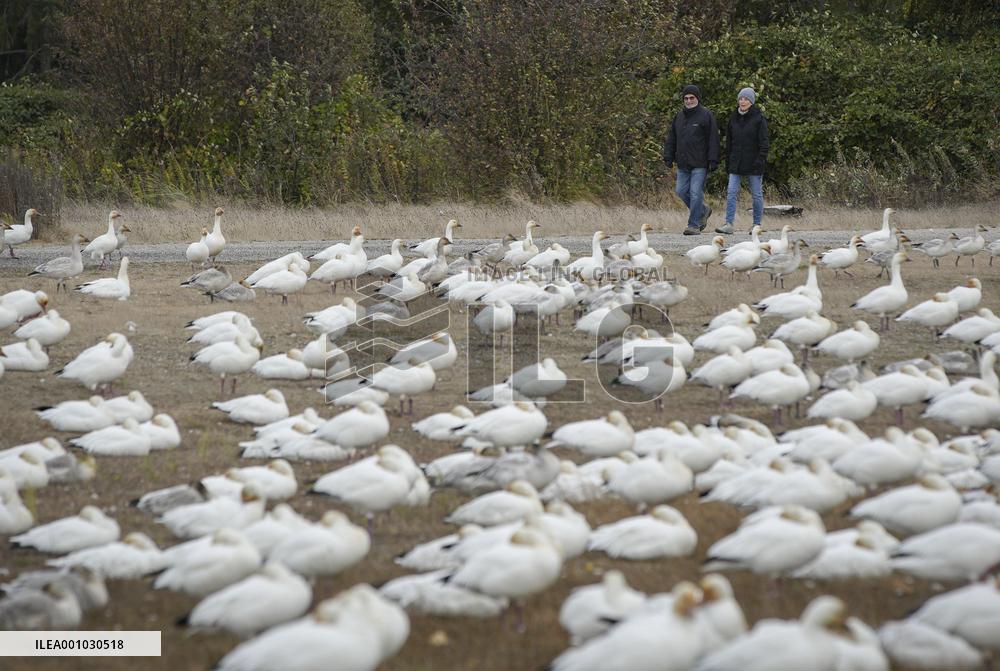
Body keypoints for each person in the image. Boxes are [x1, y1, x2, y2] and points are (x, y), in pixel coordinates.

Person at [663, 84, 720, 236]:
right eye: (686, 98)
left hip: (700, 163)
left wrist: (713, 159)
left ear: (697, 99)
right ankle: (703, 210)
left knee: (695, 193)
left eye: (691, 98)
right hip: (683, 163)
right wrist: (668, 156)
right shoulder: (679, 116)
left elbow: (713, 139)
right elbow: (672, 138)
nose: (688, 101)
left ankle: (693, 225)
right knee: (681, 191)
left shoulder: (706, 115)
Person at [716, 87, 769, 235]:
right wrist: (728, 161)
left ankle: (756, 224)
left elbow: (764, 143)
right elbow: (729, 142)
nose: (742, 101)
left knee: (756, 195)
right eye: (740, 98)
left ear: (751, 101)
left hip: (754, 163)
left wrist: (760, 160)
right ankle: (728, 223)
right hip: (736, 163)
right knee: (731, 192)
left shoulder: (759, 119)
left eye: (746, 99)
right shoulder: (733, 118)